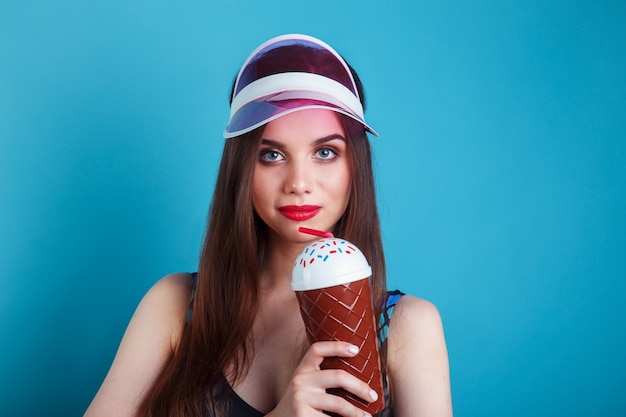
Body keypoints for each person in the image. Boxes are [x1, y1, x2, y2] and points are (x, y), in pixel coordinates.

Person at [85, 34, 452, 417]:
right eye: (272, 154)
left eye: (325, 152)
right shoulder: (177, 306)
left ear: (355, 166)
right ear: (241, 168)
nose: (299, 182)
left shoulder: (406, 327)